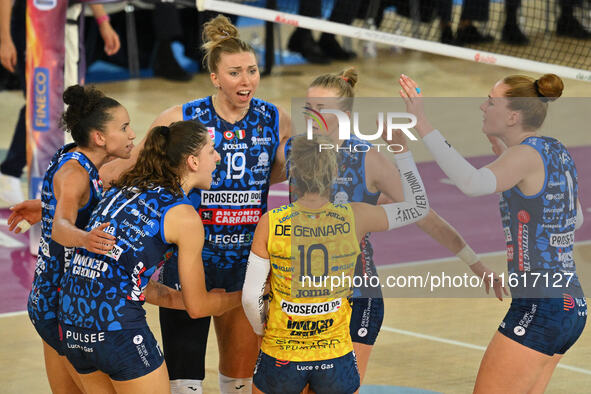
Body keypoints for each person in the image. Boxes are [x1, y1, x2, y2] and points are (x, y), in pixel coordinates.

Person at [99, 14, 291, 394]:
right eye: (235, 72)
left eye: (252, 71)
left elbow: (285, 173)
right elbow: (127, 168)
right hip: (189, 264)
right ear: (215, 78)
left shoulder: (275, 119)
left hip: (245, 264)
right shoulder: (183, 118)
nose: (247, 80)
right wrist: (63, 201)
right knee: (184, 383)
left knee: (238, 382)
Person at [284, 67, 505, 384]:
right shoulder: (297, 150)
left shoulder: (367, 159)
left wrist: (476, 264)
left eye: (322, 108)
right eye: (309, 106)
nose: (311, 114)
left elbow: (424, 214)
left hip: (356, 296)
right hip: (307, 294)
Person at [398, 73, 586, 393]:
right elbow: (576, 218)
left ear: (513, 115)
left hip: (539, 306)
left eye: (492, 101)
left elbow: (471, 183)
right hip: (569, 304)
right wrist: (505, 161)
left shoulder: (524, 155)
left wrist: (422, 123)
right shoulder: (555, 150)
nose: (483, 107)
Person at [58, 120, 242, 393]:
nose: (218, 157)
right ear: (192, 161)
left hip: (72, 324)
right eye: (212, 150)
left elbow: (130, 280)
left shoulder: (123, 190)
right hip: (117, 329)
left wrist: (187, 299)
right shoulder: (183, 215)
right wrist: (243, 297)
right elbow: (199, 307)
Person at [242, 132, 430, 393]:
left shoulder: (271, 222)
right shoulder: (356, 215)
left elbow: (251, 297)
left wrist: (260, 327)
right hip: (335, 354)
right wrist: (402, 151)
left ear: (292, 175)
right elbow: (419, 206)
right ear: (332, 174)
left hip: (283, 352)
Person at [24, 84, 134, 393]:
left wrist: (42, 206)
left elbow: (60, 203)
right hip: (59, 302)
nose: (131, 135)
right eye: (124, 128)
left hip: (57, 296)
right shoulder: (76, 173)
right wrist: (85, 238)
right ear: (99, 137)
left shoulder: (80, 158)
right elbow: (61, 226)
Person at [0, 0, 120, 205]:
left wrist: (103, 21)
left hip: (69, 26)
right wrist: (5, 38)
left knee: (64, 103)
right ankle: (12, 174)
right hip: (35, 28)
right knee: (42, 103)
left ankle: (43, 174)